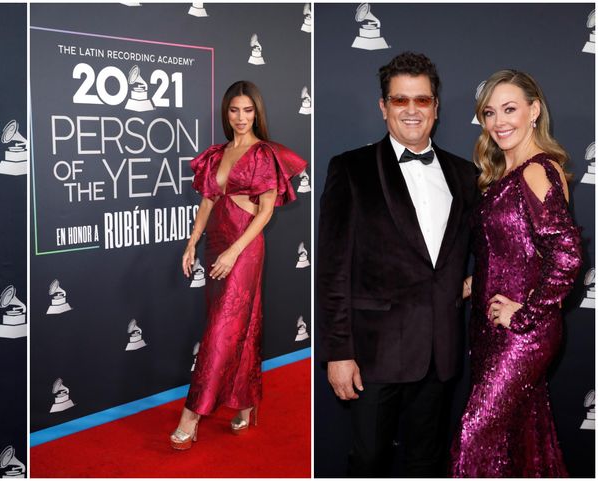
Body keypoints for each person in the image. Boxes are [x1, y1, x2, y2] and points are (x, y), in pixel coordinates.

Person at [316, 52, 478, 476]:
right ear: (383, 106)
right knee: (368, 461)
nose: (411, 110)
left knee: (427, 462)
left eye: (421, 100)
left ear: (436, 107)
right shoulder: (350, 169)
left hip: (440, 351)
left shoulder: (465, 175)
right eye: (400, 100)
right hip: (373, 354)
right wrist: (338, 353)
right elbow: (332, 269)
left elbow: (484, 248)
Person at [450, 70, 581, 477]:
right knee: (522, 440)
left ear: (534, 111)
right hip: (490, 329)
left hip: (524, 334)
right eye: (490, 112)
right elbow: (509, 252)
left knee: (473, 438)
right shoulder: (500, 177)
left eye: (510, 109)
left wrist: (524, 315)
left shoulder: (538, 170)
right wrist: (473, 284)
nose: (498, 122)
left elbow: (567, 255)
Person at [171, 80, 307, 450]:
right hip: (216, 244)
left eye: (248, 110)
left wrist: (234, 252)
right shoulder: (218, 154)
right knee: (239, 327)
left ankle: (192, 413)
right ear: (226, 112)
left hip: (245, 248)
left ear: (257, 113)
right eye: (235, 110)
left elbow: (264, 213)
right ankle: (247, 403)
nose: (241, 117)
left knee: (221, 329)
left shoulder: (264, 154)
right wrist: (192, 242)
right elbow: (208, 202)